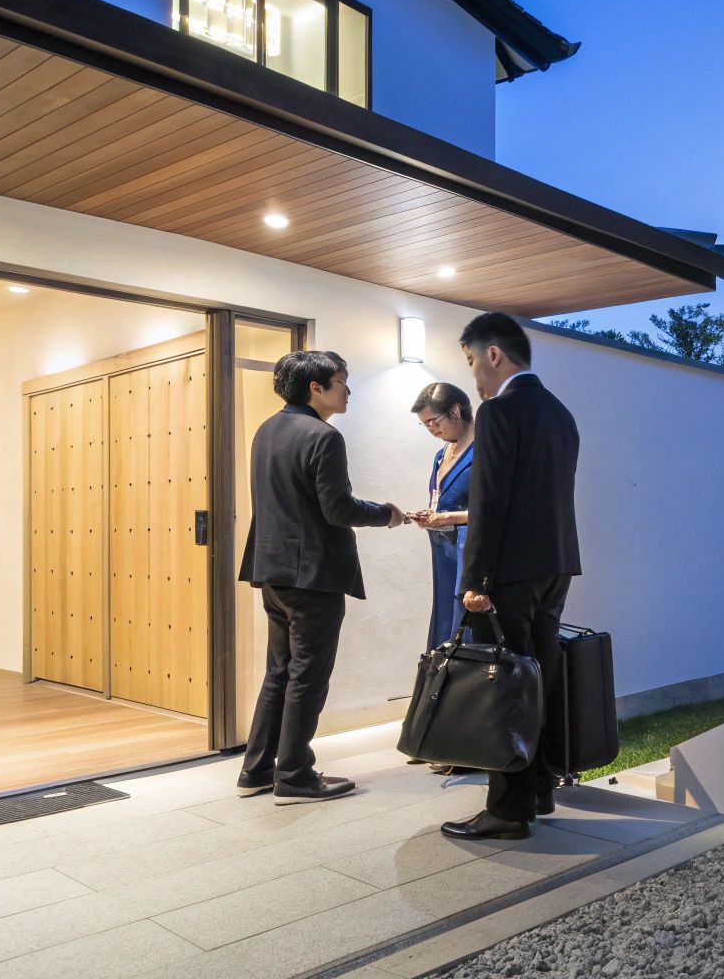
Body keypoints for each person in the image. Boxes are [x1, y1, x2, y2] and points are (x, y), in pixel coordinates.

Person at [236, 350, 402, 804]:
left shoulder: (265, 431)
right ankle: (294, 775)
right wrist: (387, 514)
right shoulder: (323, 436)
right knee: (308, 676)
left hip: (271, 570)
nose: (347, 391)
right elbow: (338, 509)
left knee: (280, 673)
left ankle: (256, 770)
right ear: (316, 387)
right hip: (313, 575)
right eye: (342, 382)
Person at [441, 312, 580, 841]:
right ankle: (539, 789)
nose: (474, 373)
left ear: (494, 354)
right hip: (556, 564)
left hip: (509, 573)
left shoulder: (498, 411)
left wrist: (474, 578)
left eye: (472, 360)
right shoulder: (559, 412)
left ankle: (507, 810)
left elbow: (489, 500)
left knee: (503, 690)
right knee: (537, 679)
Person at [408, 382, 476, 651]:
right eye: (425, 425)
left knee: (464, 621)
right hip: (444, 548)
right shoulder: (442, 453)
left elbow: (494, 509)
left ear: (456, 410)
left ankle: (465, 689)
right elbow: (442, 499)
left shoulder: (485, 449)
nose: (431, 429)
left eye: (434, 421)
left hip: (468, 549)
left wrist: (447, 518)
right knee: (445, 617)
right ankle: (443, 690)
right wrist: (432, 515)